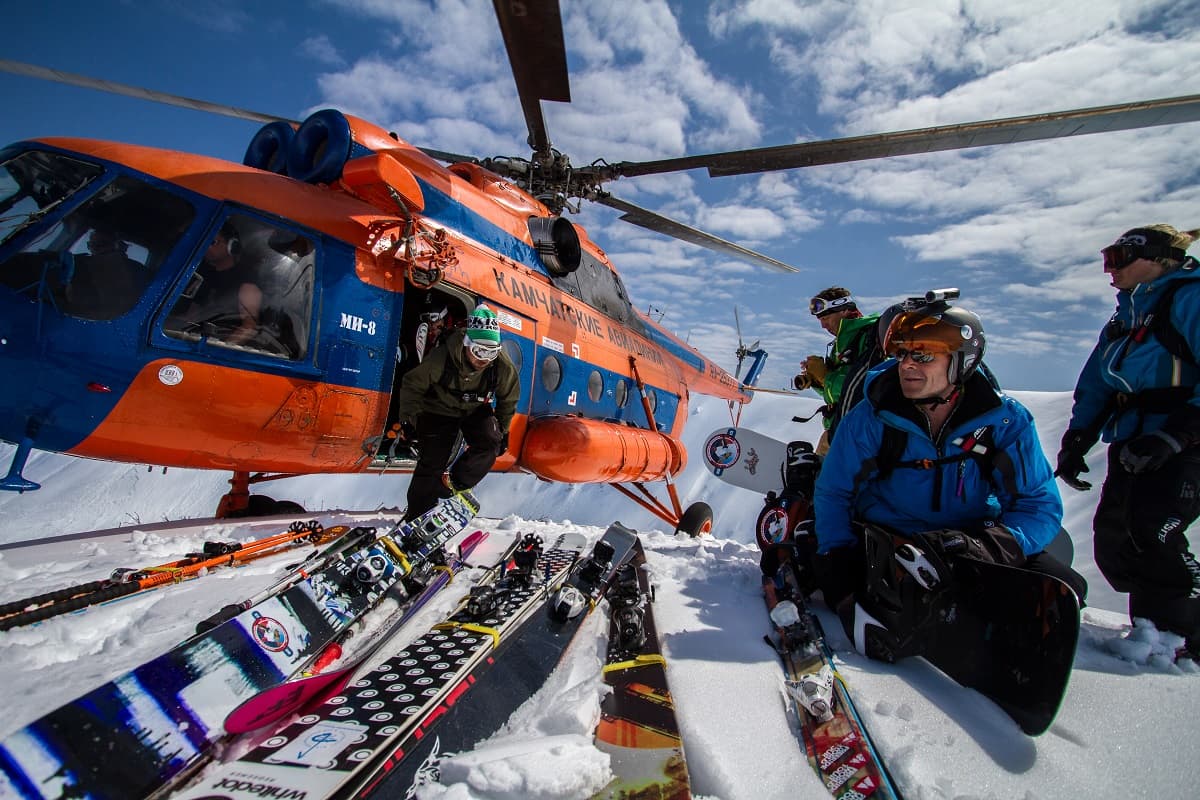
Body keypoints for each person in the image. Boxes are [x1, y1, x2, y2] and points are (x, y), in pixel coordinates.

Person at [812, 297, 1086, 661]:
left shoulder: (1004, 422)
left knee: (1065, 589)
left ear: (961, 360)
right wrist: (837, 554)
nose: (907, 365)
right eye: (902, 353)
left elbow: (1038, 504)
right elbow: (834, 492)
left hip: (969, 542)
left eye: (923, 355)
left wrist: (991, 546)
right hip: (891, 539)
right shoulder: (871, 417)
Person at [1056, 224, 1200, 661]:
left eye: (1118, 259)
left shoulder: (1189, 299)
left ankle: (1183, 638)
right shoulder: (1127, 316)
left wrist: (1176, 436)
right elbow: (1098, 381)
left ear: (1156, 258)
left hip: (1182, 438)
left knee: (1155, 530)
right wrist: (1077, 439)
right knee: (1116, 539)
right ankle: (1151, 630)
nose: (1109, 270)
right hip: (1132, 438)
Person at [393, 304, 520, 521]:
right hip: (438, 409)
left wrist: (504, 430)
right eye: (480, 351)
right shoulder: (442, 358)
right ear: (467, 345)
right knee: (432, 459)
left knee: (492, 442)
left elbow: (509, 397)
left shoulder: (500, 366)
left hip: (474, 408)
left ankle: (453, 483)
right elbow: (412, 385)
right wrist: (409, 421)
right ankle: (417, 516)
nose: (484, 359)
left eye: (491, 352)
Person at [793, 287, 882, 455]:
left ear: (844, 311)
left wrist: (826, 376)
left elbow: (866, 384)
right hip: (839, 425)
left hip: (860, 429)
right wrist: (817, 380)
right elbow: (838, 394)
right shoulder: (839, 344)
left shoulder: (870, 335)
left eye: (826, 318)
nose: (823, 325)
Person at [178, 220, 263, 346]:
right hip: (193, 341)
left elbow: (249, 327)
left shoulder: (246, 281)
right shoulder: (203, 275)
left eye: (213, 242)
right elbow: (191, 316)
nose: (206, 247)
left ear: (232, 246)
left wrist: (220, 348)